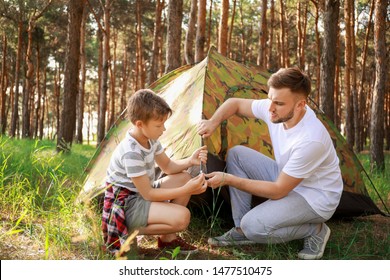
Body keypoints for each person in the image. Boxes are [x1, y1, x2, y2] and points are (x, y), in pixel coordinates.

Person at [197, 67, 343, 260]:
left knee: (254, 227)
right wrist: (213, 122)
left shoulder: (310, 139)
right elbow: (235, 103)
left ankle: (314, 230)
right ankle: (240, 230)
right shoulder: (274, 108)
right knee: (237, 154)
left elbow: (278, 191)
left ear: (301, 105)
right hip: (287, 177)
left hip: (314, 197)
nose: (270, 108)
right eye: (270, 98)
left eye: (278, 103)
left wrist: (229, 180)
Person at [102, 89, 208, 255]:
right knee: (182, 217)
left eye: (164, 124)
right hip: (126, 204)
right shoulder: (131, 152)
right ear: (139, 124)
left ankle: (167, 239)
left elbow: (168, 167)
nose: (163, 129)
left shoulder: (151, 139)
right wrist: (188, 190)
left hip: (140, 194)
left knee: (184, 177)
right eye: (159, 125)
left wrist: (190, 161)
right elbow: (149, 194)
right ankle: (127, 233)